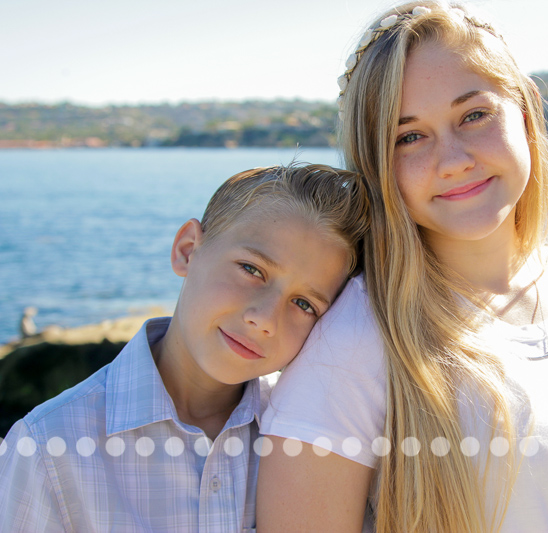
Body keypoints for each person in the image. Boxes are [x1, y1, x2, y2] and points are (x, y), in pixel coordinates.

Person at [256, 2, 548, 532]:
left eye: (473, 115)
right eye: (409, 137)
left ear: (527, 109)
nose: (453, 159)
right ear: (376, 161)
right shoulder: (352, 344)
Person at [0, 164, 370, 532]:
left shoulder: (312, 443)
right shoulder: (48, 449)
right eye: (251, 269)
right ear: (187, 250)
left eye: (304, 304)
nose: (265, 319)